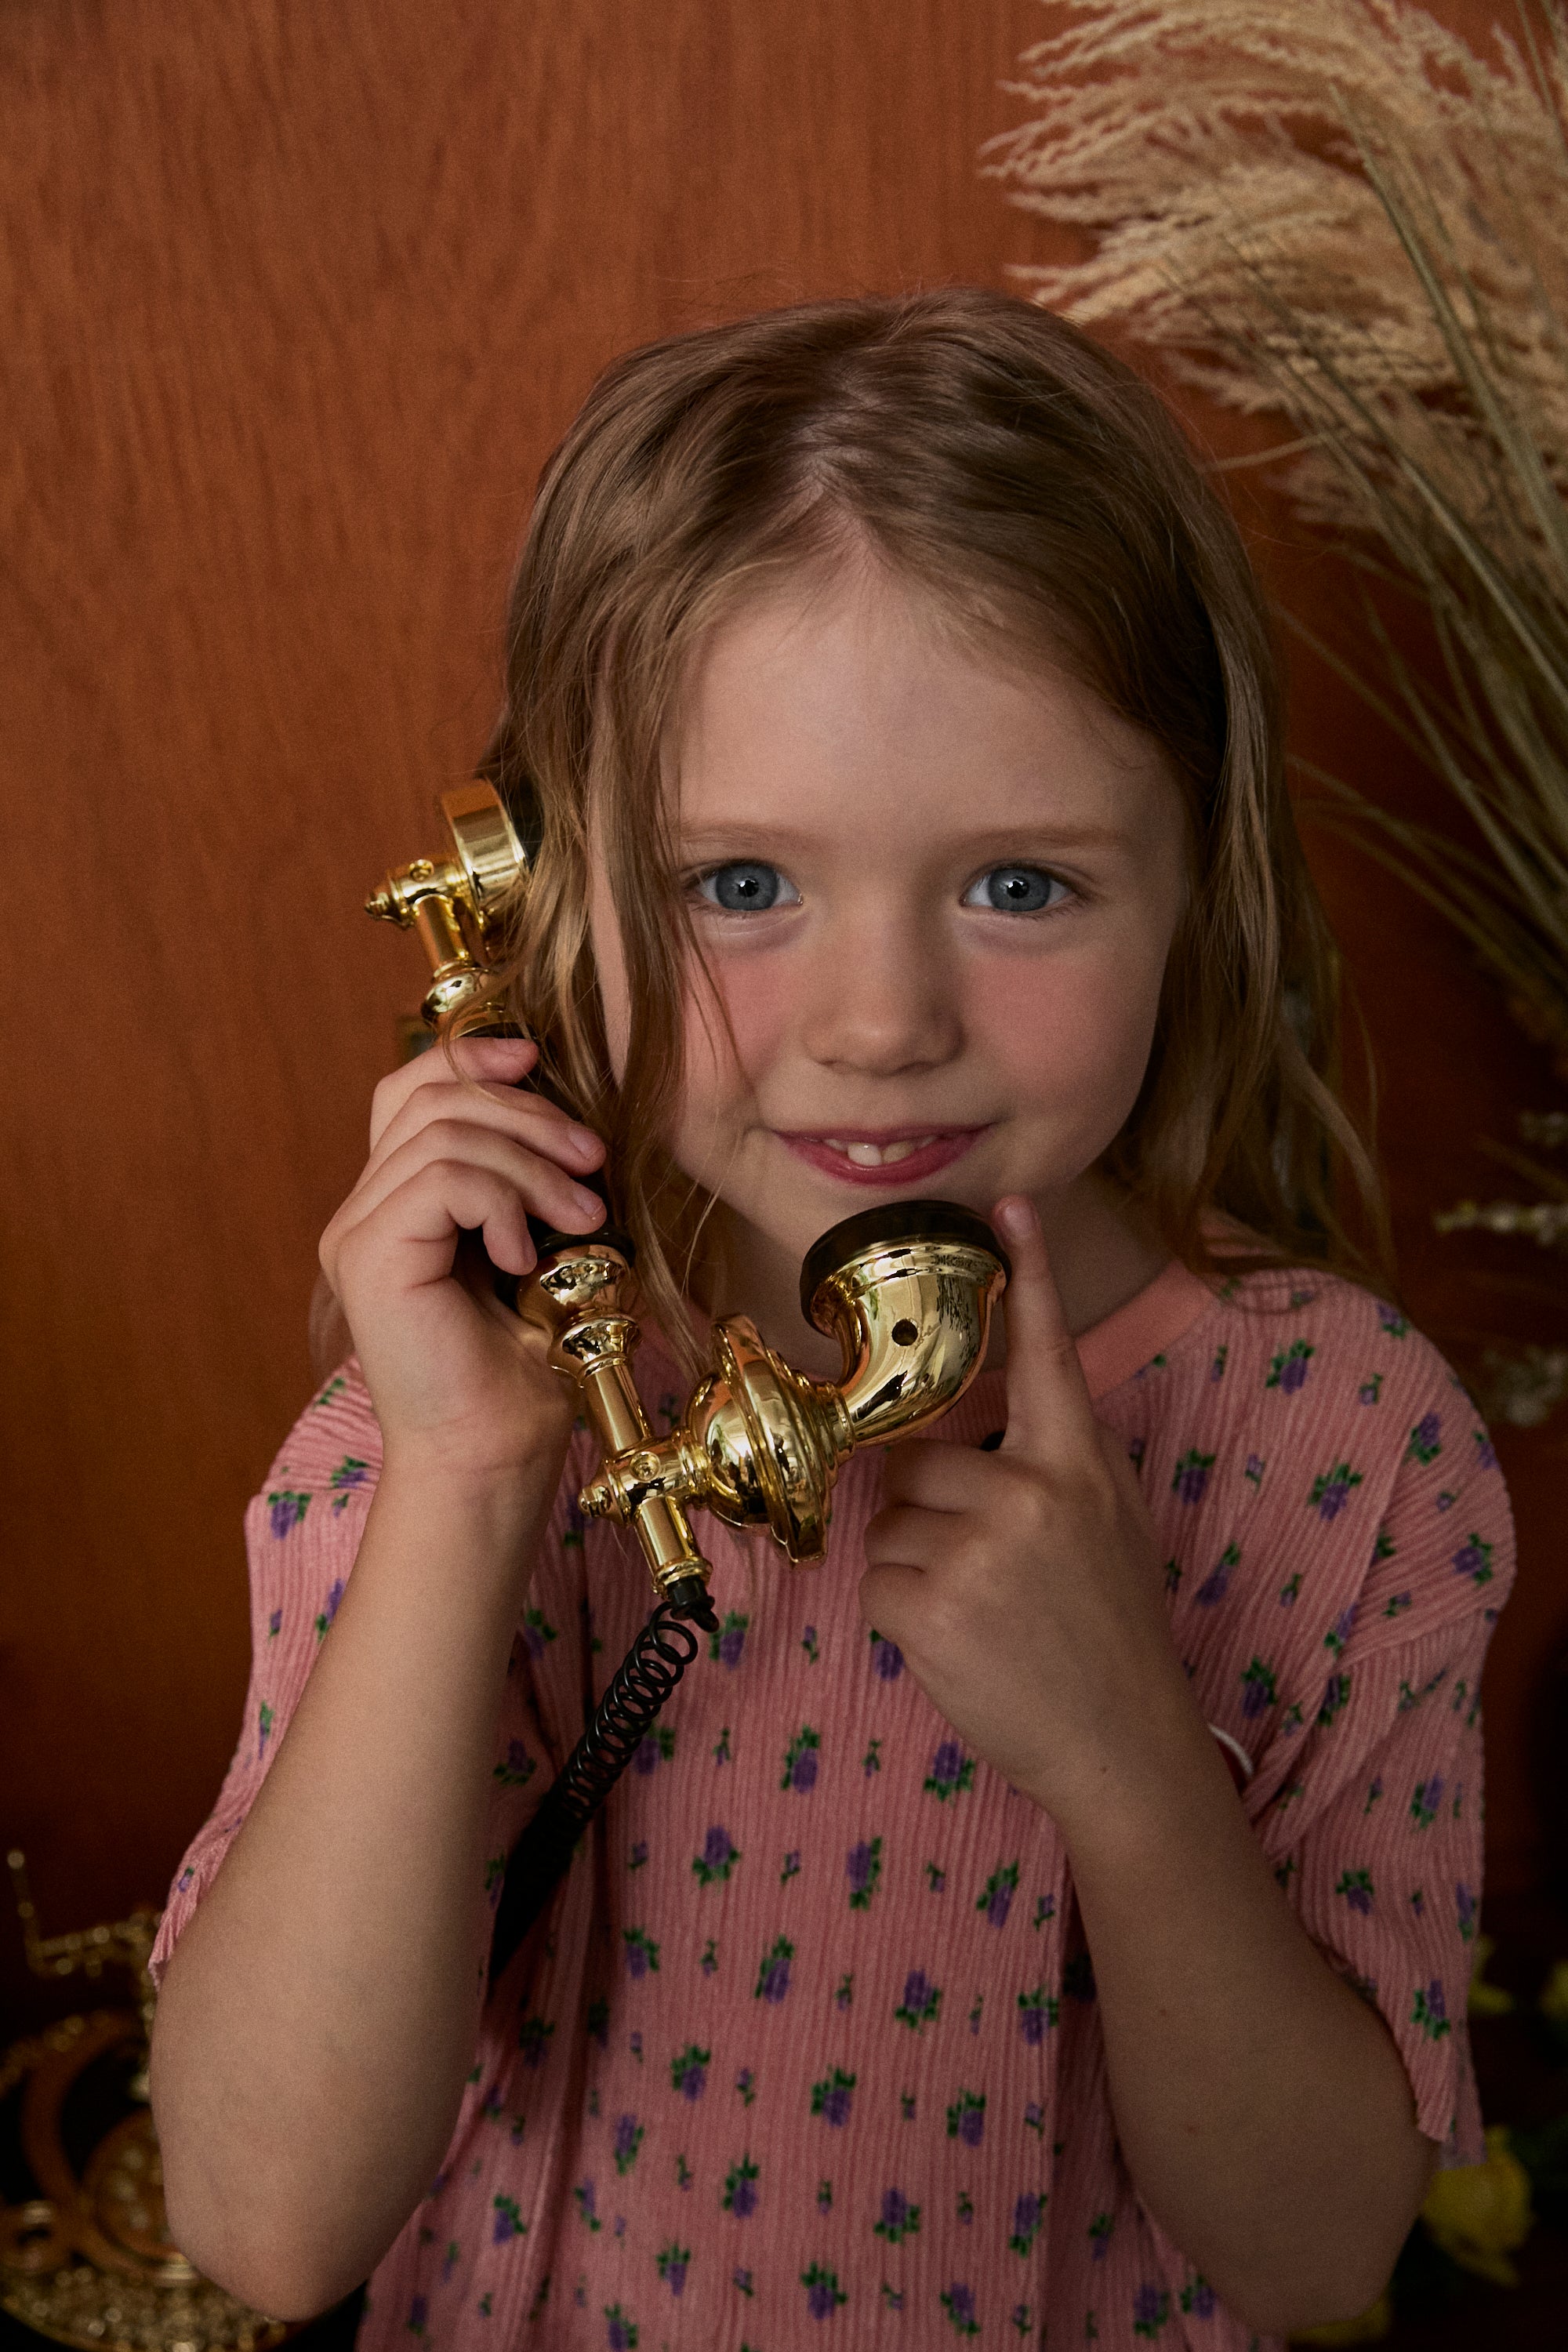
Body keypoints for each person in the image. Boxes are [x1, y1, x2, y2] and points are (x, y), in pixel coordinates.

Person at [147, 290, 1515, 2351]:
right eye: (738, 885)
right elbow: (268, 2224)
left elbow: (1319, 2258)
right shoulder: (465, 1409)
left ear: (1199, 886)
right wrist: (462, 1488)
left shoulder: (1345, 1440)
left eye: (1021, 886)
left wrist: (1132, 1764)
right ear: (551, 900)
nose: (881, 1026)